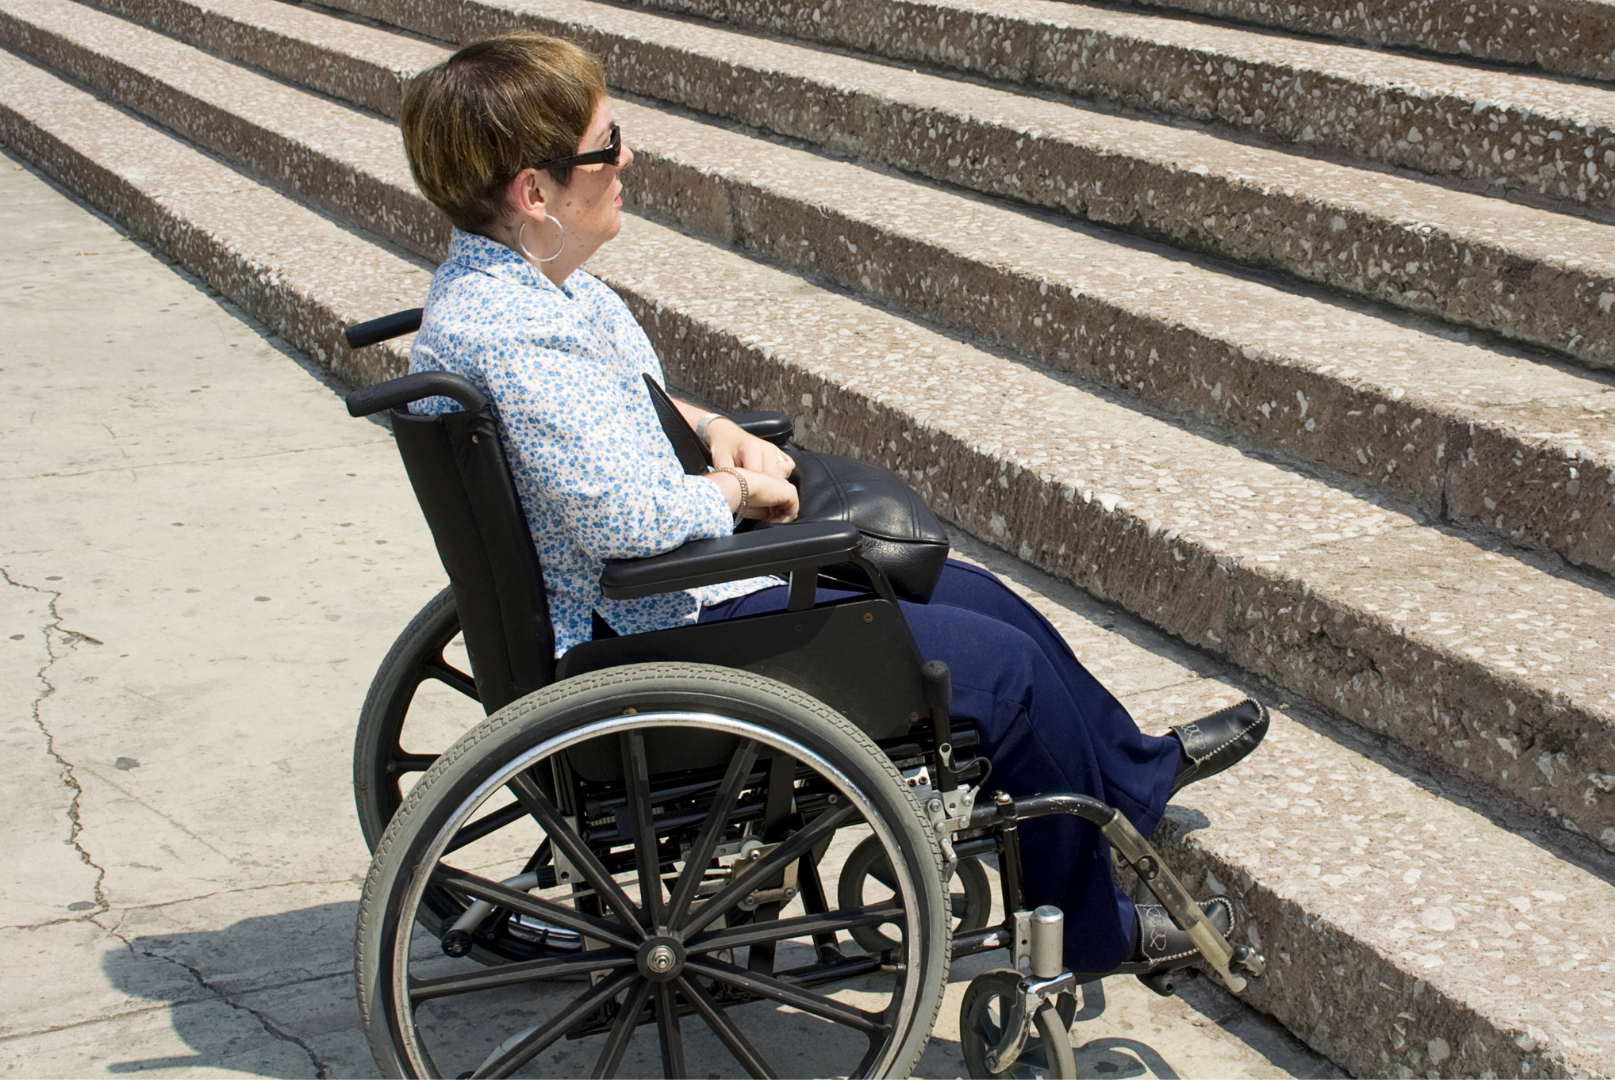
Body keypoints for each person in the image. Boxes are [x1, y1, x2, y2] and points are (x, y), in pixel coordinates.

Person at [397, 32, 1269, 974]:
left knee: (974, 595)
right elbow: (622, 520)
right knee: (1002, 675)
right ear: (535, 192)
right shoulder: (523, 339)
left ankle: (1129, 777)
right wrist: (738, 489)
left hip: (647, 603)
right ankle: (1093, 933)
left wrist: (710, 426)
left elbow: (607, 422)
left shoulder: (523, 295)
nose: (628, 161)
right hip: (653, 630)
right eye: (606, 148)